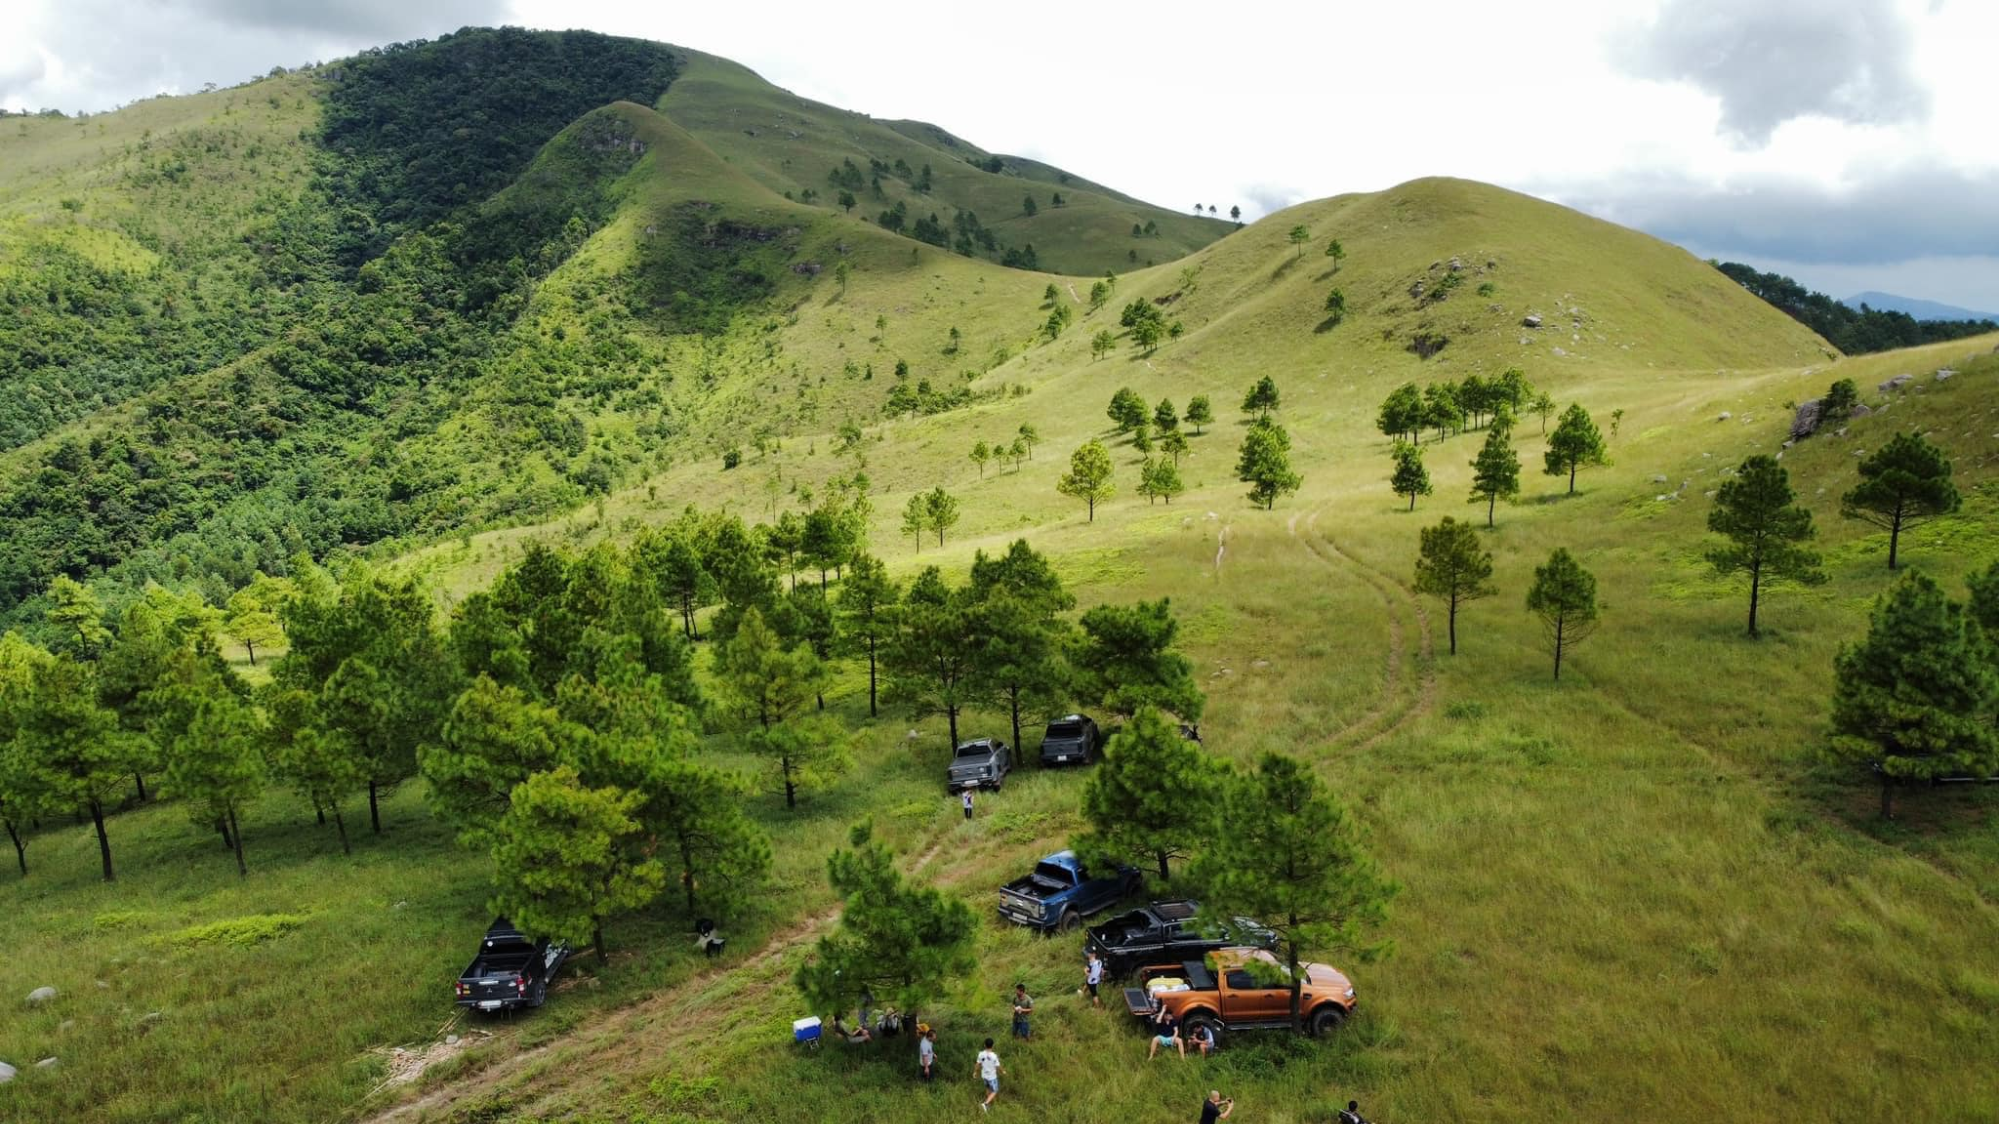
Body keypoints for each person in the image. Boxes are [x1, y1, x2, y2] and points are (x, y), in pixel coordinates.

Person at [975, 1037, 1003, 1112]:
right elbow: (998, 1066)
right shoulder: (994, 1056)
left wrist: (975, 1072)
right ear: (993, 1045)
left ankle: (989, 1103)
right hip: (992, 1077)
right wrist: (1002, 1071)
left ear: (984, 1045)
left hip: (984, 1075)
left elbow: (978, 1064)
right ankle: (986, 1104)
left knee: (988, 1088)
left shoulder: (981, 1054)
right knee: (995, 1090)